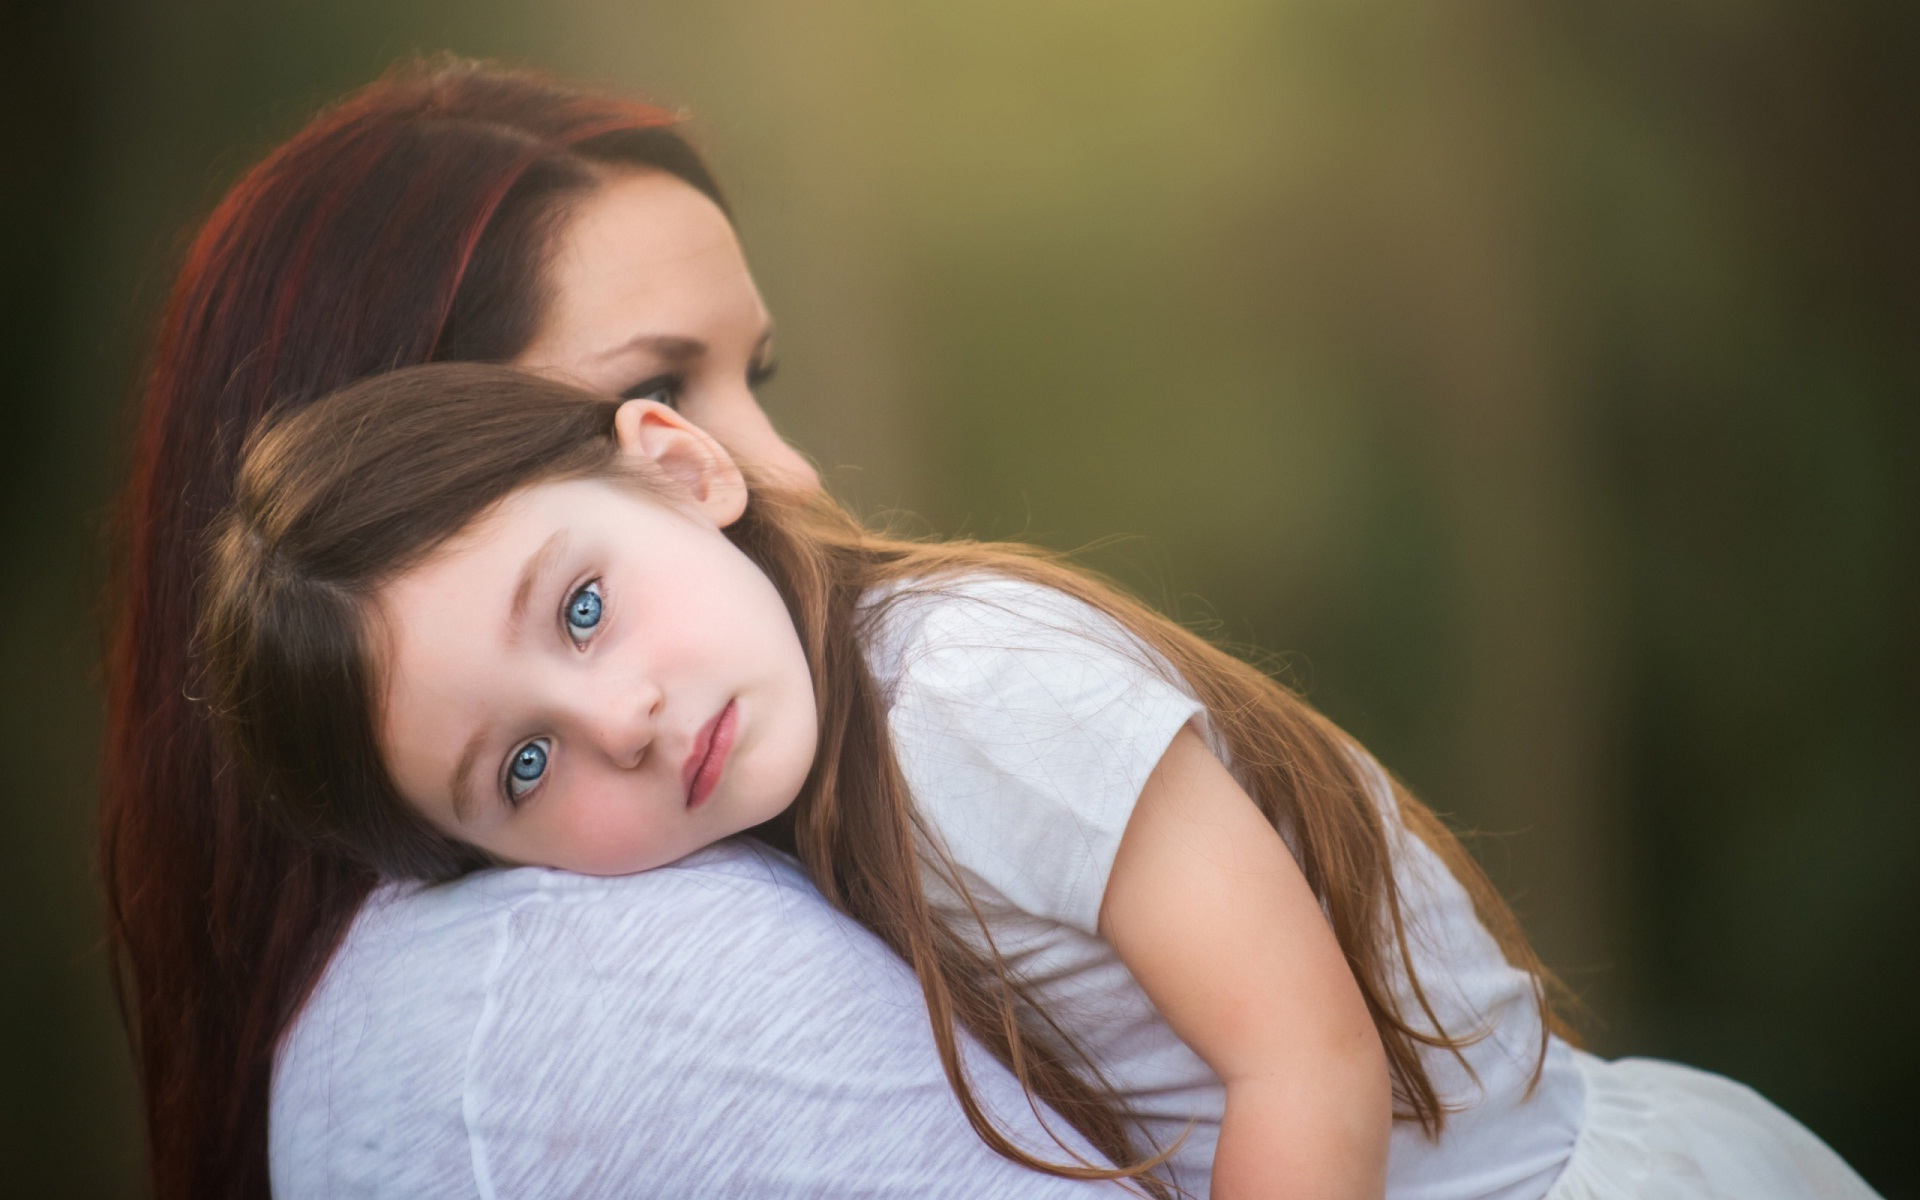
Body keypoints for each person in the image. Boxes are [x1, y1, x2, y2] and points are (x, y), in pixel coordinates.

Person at [200, 363, 1883, 1200]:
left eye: (579, 605)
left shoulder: (966, 694)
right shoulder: (791, 775)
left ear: (682, 465)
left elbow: (1304, 1059)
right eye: (521, 765)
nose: (620, 719)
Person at [100, 57, 1126, 1200]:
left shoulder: (934, 728)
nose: (787, 474)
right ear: (411, 456)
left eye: (755, 378)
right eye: (667, 388)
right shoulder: (605, 970)